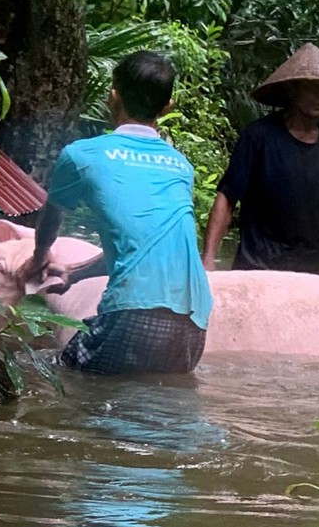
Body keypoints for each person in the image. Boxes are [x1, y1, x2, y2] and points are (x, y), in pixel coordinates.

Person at [29, 51, 213, 375]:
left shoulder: (81, 155)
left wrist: (40, 255)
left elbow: (51, 220)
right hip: (195, 318)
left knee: (55, 377)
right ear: (167, 107)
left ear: (112, 95)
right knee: (158, 405)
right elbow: (146, 244)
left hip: (135, 311)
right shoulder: (180, 166)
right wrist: (75, 273)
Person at [202, 43, 319, 280]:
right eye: (313, 89)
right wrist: (208, 259)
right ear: (292, 90)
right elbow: (227, 198)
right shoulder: (259, 136)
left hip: (313, 271)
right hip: (259, 267)